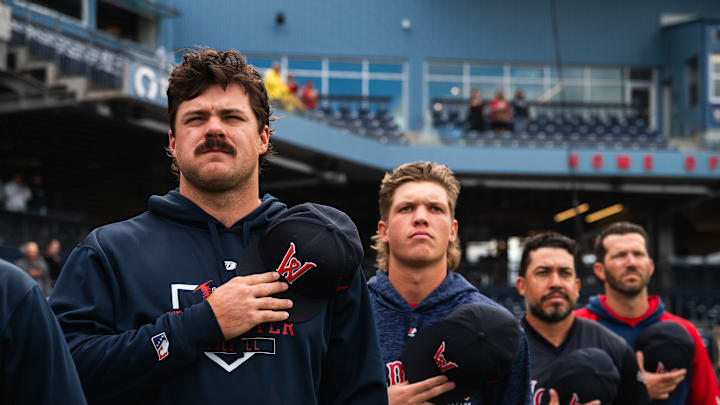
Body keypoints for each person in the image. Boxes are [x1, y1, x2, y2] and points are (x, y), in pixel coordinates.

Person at [50, 48, 387, 405]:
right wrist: (201, 324)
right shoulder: (110, 251)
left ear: (263, 138)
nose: (214, 128)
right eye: (196, 118)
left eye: (232, 117)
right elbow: (62, 374)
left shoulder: (319, 251)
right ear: (173, 143)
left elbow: (359, 393)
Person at [367, 161, 531, 405]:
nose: (421, 218)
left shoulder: (498, 328)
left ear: (453, 230)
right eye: (406, 208)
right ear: (384, 231)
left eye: (435, 209)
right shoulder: (344, 315)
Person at [576, 222, 720, 405]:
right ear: (600, 270)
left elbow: (706, 400)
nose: (631, 262)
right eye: (620, 255)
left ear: (650, 267)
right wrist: (638, 391)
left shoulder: (685, 331)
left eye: (638, 254)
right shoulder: (576, 326)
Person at [515, 232, 649, 405]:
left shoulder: (614, 348)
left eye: (565, 273)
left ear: (577, 286)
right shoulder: (505, 350)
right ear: (522, 286)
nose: (556, 282)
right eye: (543, 272)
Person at [0, 258, 87, 404]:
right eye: (30, 250)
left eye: (34, 251)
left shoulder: (14, 284)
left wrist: (47, 294)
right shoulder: (13, 280)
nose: (32, 253)